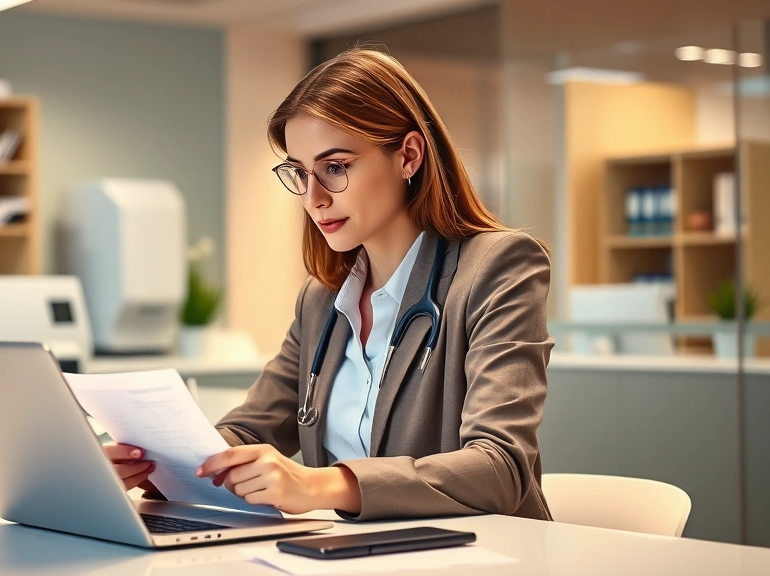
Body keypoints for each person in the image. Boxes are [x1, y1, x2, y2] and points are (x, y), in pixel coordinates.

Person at [104, 46, 554, 522]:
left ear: (408, 155)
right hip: (354, 557)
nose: (313, 198)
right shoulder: (322, 300)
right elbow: (250, 429)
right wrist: (159, 467)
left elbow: (500, 468)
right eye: (300, 173)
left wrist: (318, 483)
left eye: (335, 167)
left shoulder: (499, 267)